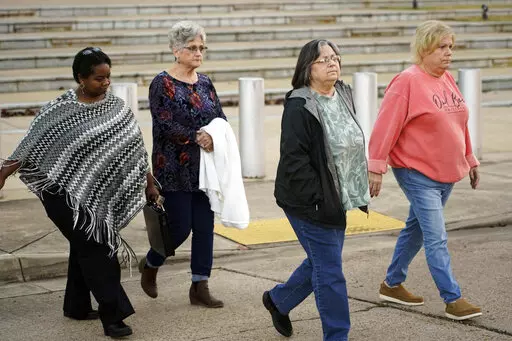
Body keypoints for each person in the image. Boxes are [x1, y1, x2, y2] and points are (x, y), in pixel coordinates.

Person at [0, 47, 159, 338]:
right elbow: (30, 144)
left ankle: (76, 305)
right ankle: (114, 315)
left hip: (100, 195)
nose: (106, 83)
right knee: (97, 247)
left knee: (85, 245)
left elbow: (136, 149)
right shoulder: (59, 109)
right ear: (80, 78)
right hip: (61, 193)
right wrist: (3, 173)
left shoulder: (116, 107)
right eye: (99, 78)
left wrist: (149, 183)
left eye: (109, 77)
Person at [368, 20, 482, 321]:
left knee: (415, 230)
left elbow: (460, 122)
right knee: (436, 236)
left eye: (451, 47)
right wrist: (376, 166)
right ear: (424, 48)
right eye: (442, 47)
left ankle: (392, 284)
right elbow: (385, 126)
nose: (448, 54)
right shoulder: (407, 81)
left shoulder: (446, 79)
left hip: (447, 172)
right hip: (416, 172)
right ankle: (452, 298)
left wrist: (470, 159)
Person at [262, 39, 370, 341]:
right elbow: (294, 161)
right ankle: (337, 336)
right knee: (331, 272)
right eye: (324, 59)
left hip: (337, 198)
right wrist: (318, 199)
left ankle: (278, 300)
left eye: (335, 57)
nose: (332, 63)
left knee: (322, 261)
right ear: (307, 67)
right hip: (309, 202)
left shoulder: (343, 94)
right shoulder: (300, 105)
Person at [138, 21, 226, 308]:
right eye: (193, 48)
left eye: (202, 47)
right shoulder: (161, 83)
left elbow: (220, 119)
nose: (199, 52)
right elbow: (163, 124)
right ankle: (151, 264)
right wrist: (197, 137)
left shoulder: (205, 82)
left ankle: (200, 285)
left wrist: (215, 136)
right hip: (173, 166)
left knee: (204, 226)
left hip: (205, 166)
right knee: (178, 227)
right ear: (176, 50)